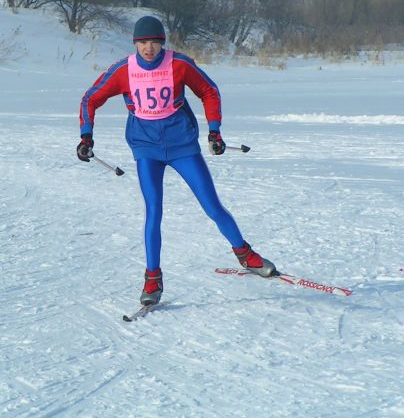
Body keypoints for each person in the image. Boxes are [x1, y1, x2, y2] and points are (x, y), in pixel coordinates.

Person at [77, 15, 276, 306]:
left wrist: (215, 131)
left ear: (162, 43)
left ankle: (246, 255)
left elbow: (209, 91)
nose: (148, 49)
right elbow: (90, 99)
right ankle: (152, 278)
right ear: (136, 44)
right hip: (146, 150)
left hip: (182, 146)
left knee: (212, 206)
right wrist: (86, 136)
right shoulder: (124, 70)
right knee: (153, 212)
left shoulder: (179, 64)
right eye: (143, 43)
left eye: (154, 43)